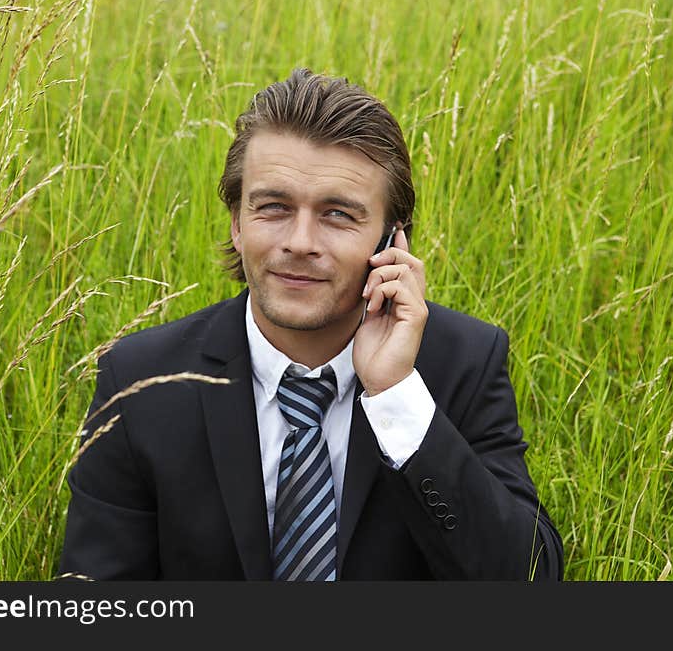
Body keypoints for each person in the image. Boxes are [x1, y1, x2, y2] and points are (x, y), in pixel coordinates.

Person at [58, 68, 563, 580]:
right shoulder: (140, 379)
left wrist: (394, 395)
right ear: (237, 224)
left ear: (391, 239)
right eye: (273, 207)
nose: (299, 241)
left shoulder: (463, 363)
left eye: (338, 214)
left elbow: (529, 577)